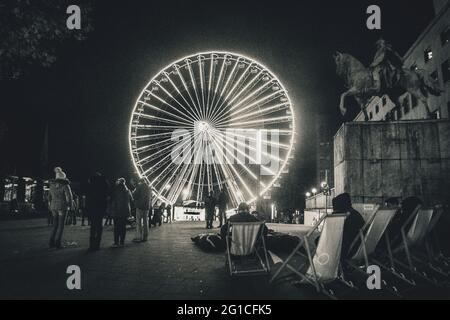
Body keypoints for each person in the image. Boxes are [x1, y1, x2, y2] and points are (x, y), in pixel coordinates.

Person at [331, 193, 365, 259]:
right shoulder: (356, 214)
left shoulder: (346, 218)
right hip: (359, 248)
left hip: (347, 251)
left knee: (319, 241)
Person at [48, 167, 73, 249]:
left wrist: (50, 204)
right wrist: (70, 205)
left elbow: (49, 197)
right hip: (62, 206)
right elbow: (69, 196)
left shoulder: (51, 185)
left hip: (53, 207)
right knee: (61, 225)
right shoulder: (65, 185)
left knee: (55, 225)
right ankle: (58, 243)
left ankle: (51, 242)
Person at [86, 172, 109, 251]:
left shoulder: (91, 186)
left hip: (93, 207)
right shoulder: (104, 185)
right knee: (99, 226)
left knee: (93, 226)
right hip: (100, 207)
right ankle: (97, 244)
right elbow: (106, 196)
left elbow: (88, 198)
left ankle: (92, 244)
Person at [111, 178, 133, 247]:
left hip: (117, 211)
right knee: (123, 227)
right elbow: (131, 200)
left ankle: (116, 242)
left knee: (116, 227)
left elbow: (113, 200)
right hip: (125, 211)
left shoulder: (116, 190)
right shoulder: (127, 191)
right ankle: (122, 241)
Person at [132, 178, 151, 242]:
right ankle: (145, 237)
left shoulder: (139, 187)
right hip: (146, 207)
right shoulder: (149, 188)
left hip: (140, 206)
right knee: (146, 222)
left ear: (140, 182)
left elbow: (134, 195)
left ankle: (139, 236)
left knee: (139, 222)